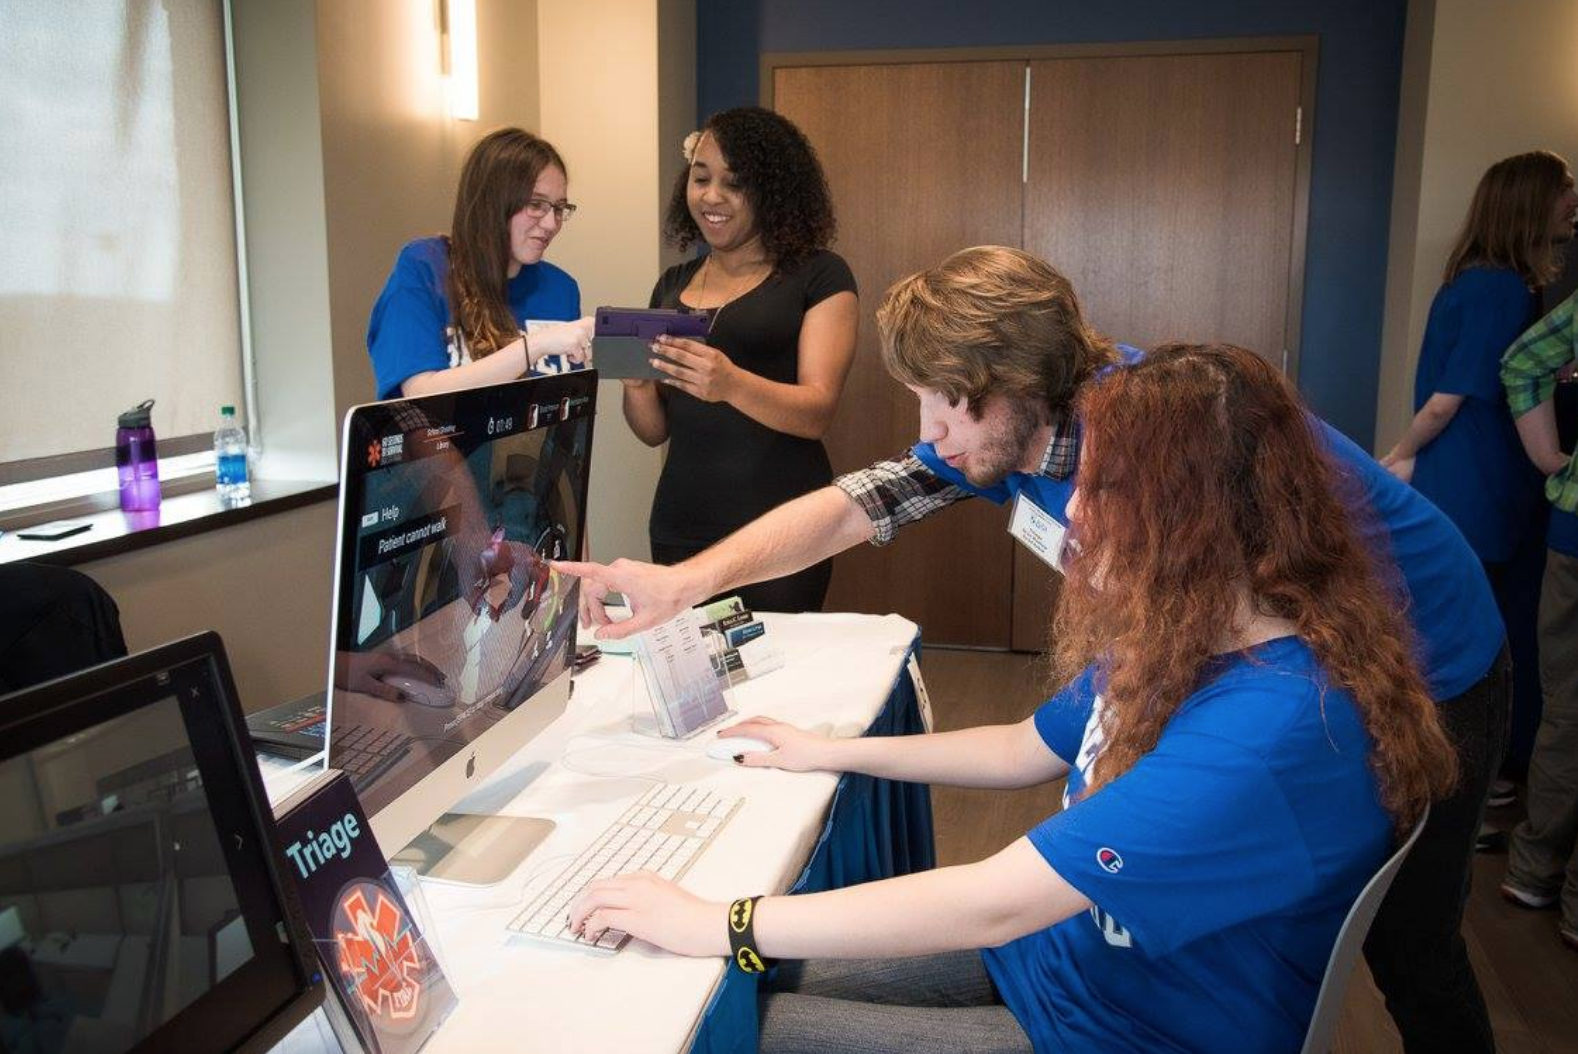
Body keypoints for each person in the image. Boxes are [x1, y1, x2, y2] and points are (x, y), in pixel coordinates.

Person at [558, 246, 1509, 1053]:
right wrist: (687, 584)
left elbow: (999, 897)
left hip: (1431, 664)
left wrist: (720, 921)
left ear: (1009, 393)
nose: (927, 433)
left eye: (942, 404)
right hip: (1135, 878)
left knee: (1411, 948)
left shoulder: (1188, 452)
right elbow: (862, 505)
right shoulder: (1154, 576)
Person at [1383, 151, 1578, 808]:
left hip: (1465, 480)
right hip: (1482, 485)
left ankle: (1462, 778)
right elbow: (1449, 399)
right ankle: (1482, 782)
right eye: (1566, 189)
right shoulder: (1502, 288)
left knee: (1456, 626)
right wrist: (1401, 454)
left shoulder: (1470, 278)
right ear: (1531, 204)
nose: (1573, 199)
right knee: (1491, 636)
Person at [620, 107, 858, 614]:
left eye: (734, 183)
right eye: (700, 178)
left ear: (771, 191)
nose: (711, 197)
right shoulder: (671, 285)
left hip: (784, 527)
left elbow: (817, 412)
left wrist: (729, 383)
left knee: (778, 684)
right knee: (690, 684)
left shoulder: (820, 276)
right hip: (680, 525)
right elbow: (653, 432)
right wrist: (638, 389)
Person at [366, 127, 593, 400]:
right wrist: (536, 346)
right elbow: (420, 395)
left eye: (559, 208)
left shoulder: (560, 288)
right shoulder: (425, 267)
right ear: (493, 202)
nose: (551, 224)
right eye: (536, 205)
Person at [1500, 288, 1578, 953]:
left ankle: (1533, 870)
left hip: (1571, 530)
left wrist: (1555, 460)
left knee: (1566, 713)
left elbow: (1524, 359)